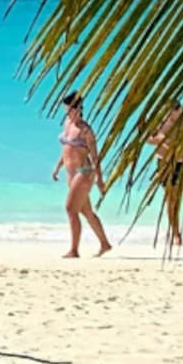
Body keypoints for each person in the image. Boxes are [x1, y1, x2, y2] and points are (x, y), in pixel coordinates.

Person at [55, 92, 111, 257]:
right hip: (70, 174)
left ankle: (74, 250)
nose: (67, 113)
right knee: (86, 212)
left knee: (70, 209)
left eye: (70, 109)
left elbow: (95, 157)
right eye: (66, 110)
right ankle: (105, 243)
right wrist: (58, 167)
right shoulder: (67, 123)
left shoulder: (86, 131)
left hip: (84, 173)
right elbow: (66, 149)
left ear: (78, 108)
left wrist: (100, 180)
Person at [148, 102, 183, 253]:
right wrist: (159, 139)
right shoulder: (160, 123)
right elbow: (147, 139)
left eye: (176, 112)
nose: (172, 115)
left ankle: (175, 232)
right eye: (170, 112)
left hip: (181, 163)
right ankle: (175, 233)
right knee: (171, 199)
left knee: (178, 197)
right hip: (163, 163)